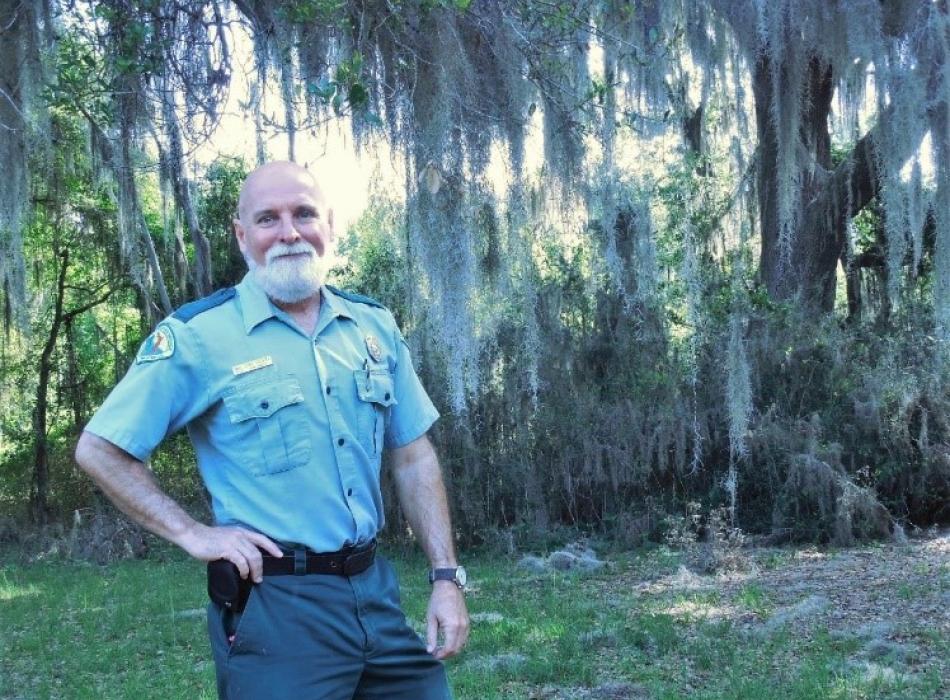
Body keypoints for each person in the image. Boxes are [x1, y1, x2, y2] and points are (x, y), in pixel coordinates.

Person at [74, 160, 469, 699]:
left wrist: (445, 579)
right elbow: (101, 449)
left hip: (376, 594)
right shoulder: (200, 336)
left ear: (328, 224)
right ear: (242, 235)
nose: (288, 232)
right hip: (276, 607)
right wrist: (193, 534)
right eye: (268, 219)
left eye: (304, 213)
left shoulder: (372, 325)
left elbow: (413, 456)